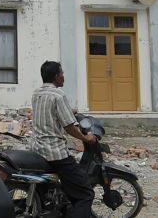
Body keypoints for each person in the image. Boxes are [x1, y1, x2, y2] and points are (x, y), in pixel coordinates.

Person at [30, 61, 96, 218]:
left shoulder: (36, 93)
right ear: (56, 76)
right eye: (62, 74)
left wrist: (68, 110)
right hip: (55, 152)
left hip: (37, 148)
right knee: (85, 193)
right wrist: (85, 138)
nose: (63, 77)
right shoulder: (59, 95)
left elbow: (49, 114)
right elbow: (69, 127)